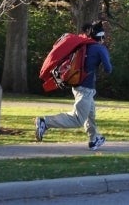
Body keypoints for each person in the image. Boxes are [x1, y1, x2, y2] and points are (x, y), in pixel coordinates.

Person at [35, 20, 112, 150]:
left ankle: (94, 139)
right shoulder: (100, 48)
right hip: (86, 89)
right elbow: (108, 69)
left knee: (90, 114)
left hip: (77, 86)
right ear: (102, 37)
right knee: (77, 119)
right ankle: (45, 122)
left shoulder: (84, 45)